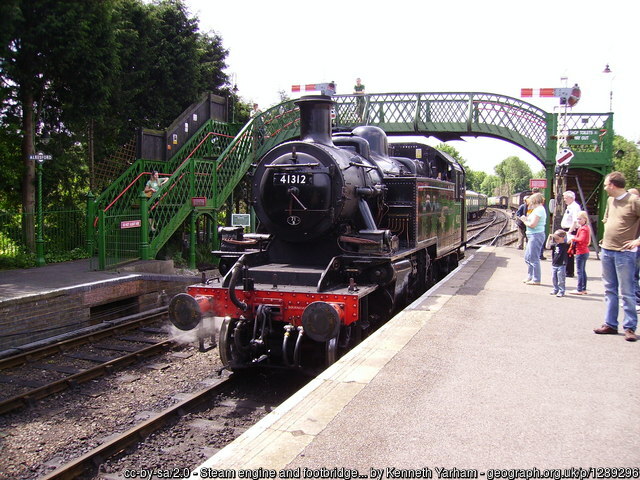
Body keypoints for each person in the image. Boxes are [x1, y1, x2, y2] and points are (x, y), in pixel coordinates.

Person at [593, 172, 640, 342]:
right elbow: (607, 220)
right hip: (607, 249)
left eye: (606, 185)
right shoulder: (611, 201)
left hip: (625, 253)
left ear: (613, 185)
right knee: (609, 289)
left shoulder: (634, 201)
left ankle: (629, 327)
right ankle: (610, 323)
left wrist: (637, 241)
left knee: (627, 291)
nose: (605, 188)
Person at [520, 192, 546, 285]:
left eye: (531, 201)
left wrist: (524, 221)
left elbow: (533, 225)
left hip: (536, 235)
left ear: (534, 200)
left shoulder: (539, 210)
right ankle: (530, 276)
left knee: (534, 258)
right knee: (527, 257)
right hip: (532, 235)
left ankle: (536, 279)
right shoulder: (536, 209)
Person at [569, 210, 591, 295]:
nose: (578, 221)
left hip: (581, 251)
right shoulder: (585, 228)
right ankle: (583, 288)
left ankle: (579, 289)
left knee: (579, 271)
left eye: (580, 219)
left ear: (585, 219)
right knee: (582, 271)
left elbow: (581, 239)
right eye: (577, 219)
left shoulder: (583, 229)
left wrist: (573, 238)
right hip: (584, 251)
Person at [560, 190, 581, 277]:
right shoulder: (570, 206)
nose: (564, 200)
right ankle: (567, 269)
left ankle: (569, 271)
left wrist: (569, 232)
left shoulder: (575, 207)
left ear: (571, 198)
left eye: (566, 198)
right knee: (566, 251)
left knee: (569, 251)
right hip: (567, 230)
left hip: (570, 231)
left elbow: (575, 221)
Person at [546, 229, 569, 297]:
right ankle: (555, 289)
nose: (556, 240)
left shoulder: (565, 245)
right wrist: (549, 238)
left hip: (561, 264)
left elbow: (569, 239)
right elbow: (547, 247)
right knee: (554, 278)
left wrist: (566, 235)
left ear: (562, 238)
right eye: (555, 238)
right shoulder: (555, 245)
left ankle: (561, 291)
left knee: (561, 279)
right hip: (554, 264)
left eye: (557, 238)